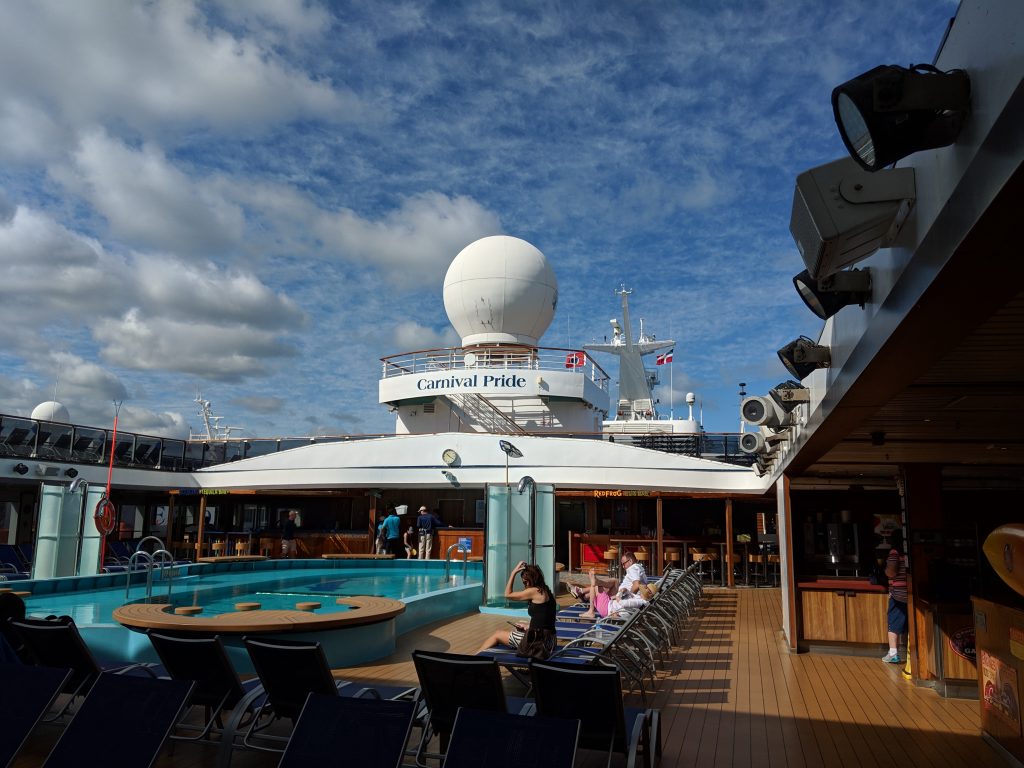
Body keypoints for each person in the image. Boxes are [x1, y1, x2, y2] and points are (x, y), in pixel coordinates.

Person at [476, 561, 556, 655]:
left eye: (526, 582)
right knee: (513, 630)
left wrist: (513, 573)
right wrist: (528, 626)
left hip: (536, 643)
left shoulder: (535, 591)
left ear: (533, 579)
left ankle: (475, 659)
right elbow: (545, 619)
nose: (525, 585)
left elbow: (507, 594)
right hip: (549, 640)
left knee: (497, 635)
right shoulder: (546, 590)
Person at [578, 567, 650, 619]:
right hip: (610, 605)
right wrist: (624, 590)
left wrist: (618, 595)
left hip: (607, 609)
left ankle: (591, 611)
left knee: (596, 586)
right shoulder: (640, 599)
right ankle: (591, 587)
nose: (644, 587)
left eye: (645, 588)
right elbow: (629, 598)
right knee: (610, 582)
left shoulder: (639, 602)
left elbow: (622, 603)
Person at [882, 532, 908, 664]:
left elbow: (891, 571)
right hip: (911, 594)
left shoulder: (894, 553)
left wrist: (885, 571)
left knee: (894, 623)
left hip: (898, 594)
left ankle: (893, 653)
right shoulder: (909, 552)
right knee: (908, 624)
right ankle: (910, 653)